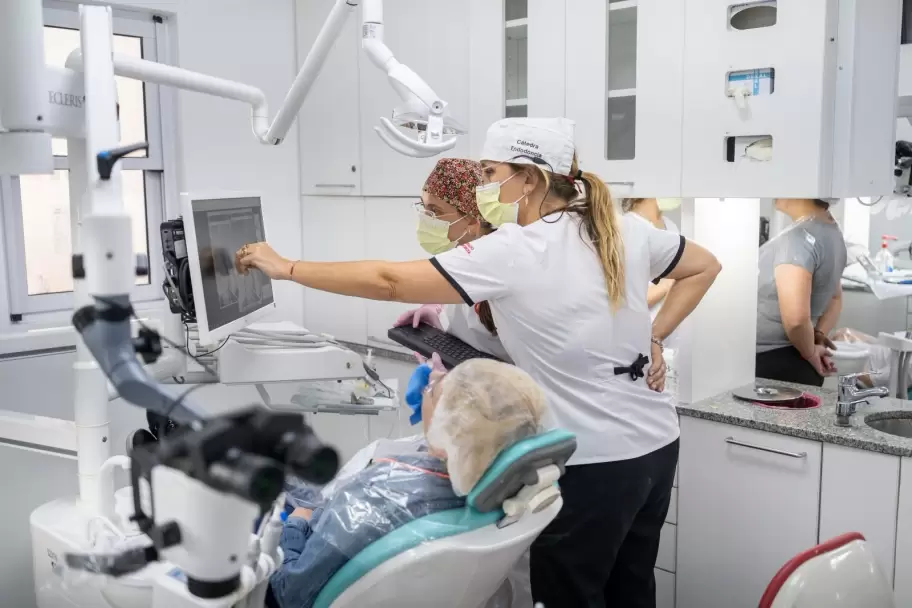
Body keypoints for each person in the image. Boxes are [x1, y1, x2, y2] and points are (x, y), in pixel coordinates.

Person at [237, 116, 722, 607]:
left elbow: (388, 281)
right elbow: (705, 266)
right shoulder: (622, 227)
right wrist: (652, 337)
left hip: (591, 460)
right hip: (656, 447)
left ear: (529, 178)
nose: (485, 186)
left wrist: (289, 269)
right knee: (632, 590)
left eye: (491, 174)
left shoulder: (516, 248)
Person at [267, 358, 546, 608]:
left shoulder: (372, 498)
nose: (430, 381)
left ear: (446, 422)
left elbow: (289, 596)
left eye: (433, 391)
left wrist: (296, 523)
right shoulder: (499, 486)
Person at [397, 158, 509, 361]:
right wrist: (437, 315)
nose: (426, 217)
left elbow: (388, 283)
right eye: (424, 208)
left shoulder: (501, 267)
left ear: (472, 222)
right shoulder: (457, 258)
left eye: (435, 211)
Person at [756, 198, 847, 386]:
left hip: (774, 365)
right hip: (796, 358)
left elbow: (796, 321)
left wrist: (811, 353)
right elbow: (835, 298)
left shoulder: (797, 239)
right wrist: (818, 335)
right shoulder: (832, 231)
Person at [624, 197, 682, 350]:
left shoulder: (670, 226)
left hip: (668, 333)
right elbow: (632, 299)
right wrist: (669, 283)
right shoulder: (629, 228)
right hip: (641, 333)